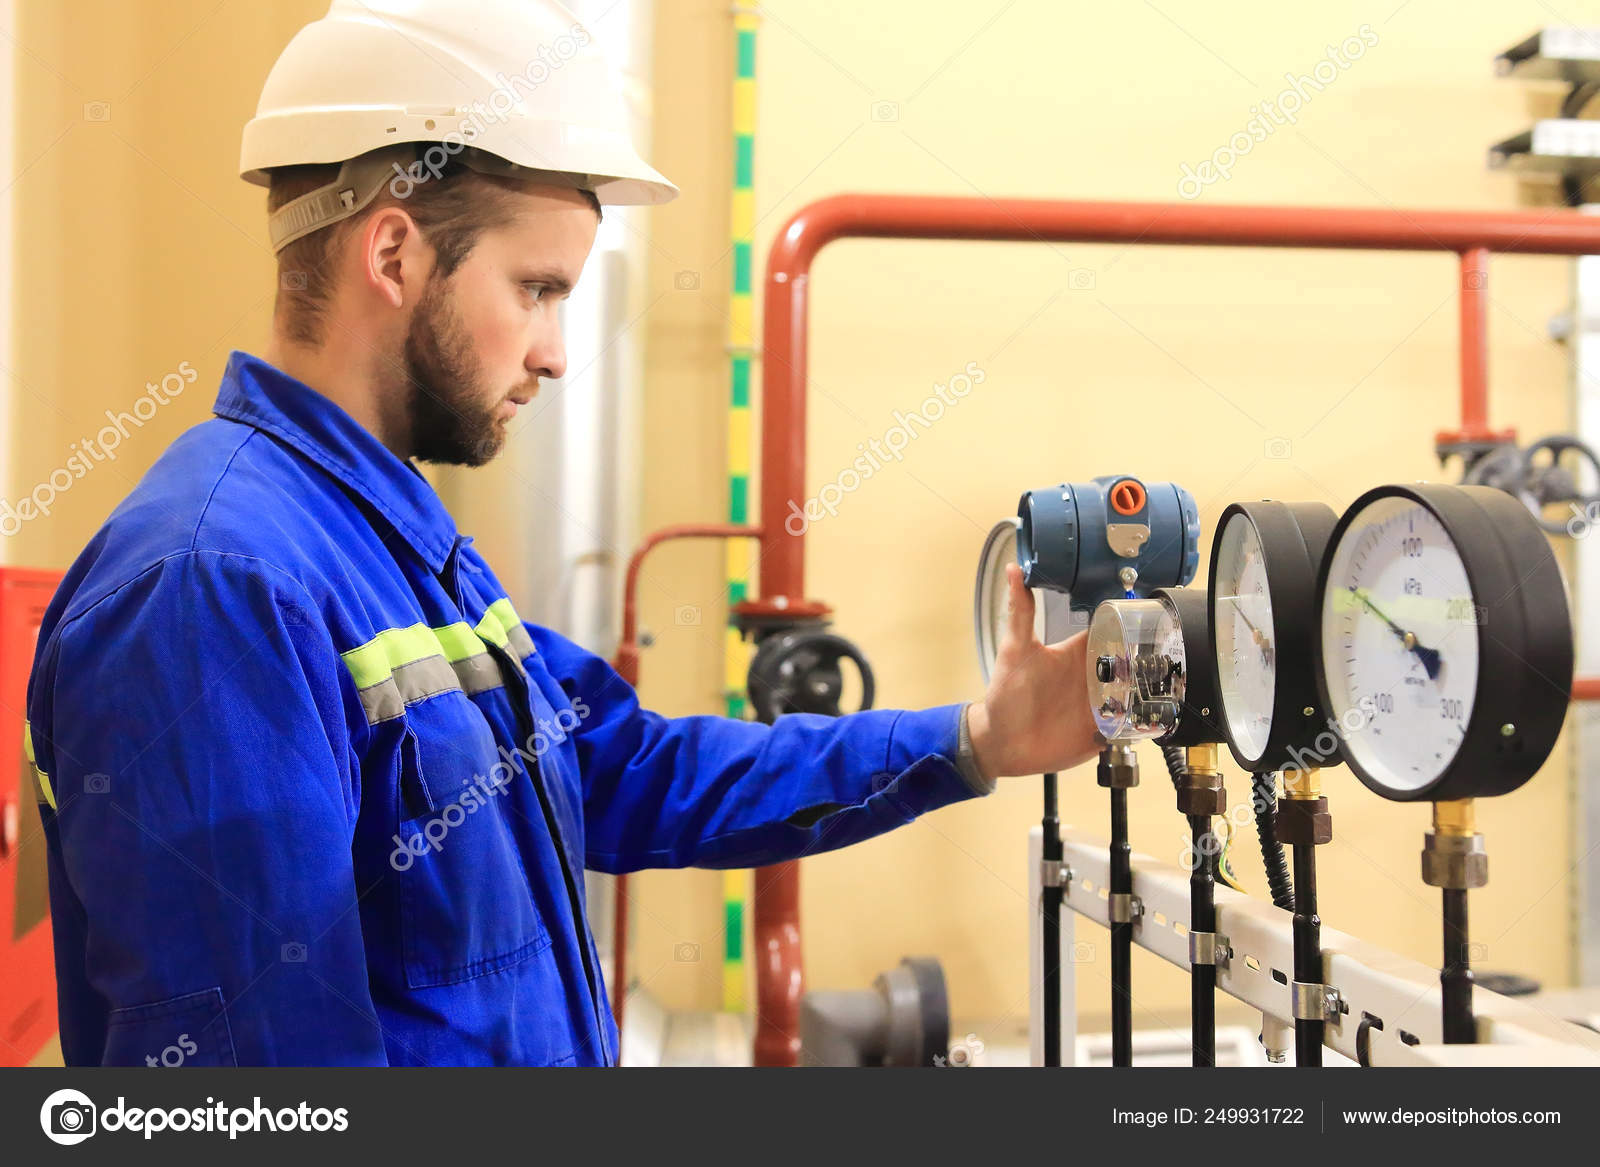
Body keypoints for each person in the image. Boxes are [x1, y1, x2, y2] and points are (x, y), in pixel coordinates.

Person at [25, 0, 1098, 1067]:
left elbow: (630, 772)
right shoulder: (216, 588)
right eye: (537, 291)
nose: (555, 353)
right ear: (393, 254)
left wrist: (973, 742)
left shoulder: (390, 546)